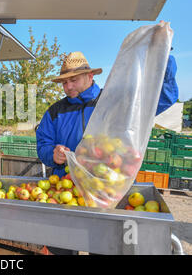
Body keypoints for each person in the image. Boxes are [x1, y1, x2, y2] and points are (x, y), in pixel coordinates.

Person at [36, 51, 178, 255]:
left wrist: (163, 55)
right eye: (64, 83)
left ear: (90, 76)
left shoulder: (115, 103)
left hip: (109, 194)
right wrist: (52, 154)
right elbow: (43, 144)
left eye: (73, 80)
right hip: (66, 194)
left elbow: (163, 97)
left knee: (105, 248)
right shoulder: (55, 111)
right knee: (62, 249)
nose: (68, 87)